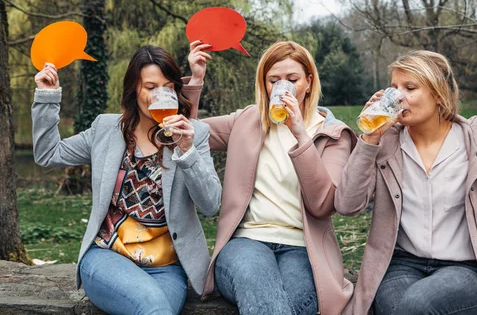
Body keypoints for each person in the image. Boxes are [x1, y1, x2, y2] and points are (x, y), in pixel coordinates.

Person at [335, 50, 477, 315]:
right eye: (394, 87)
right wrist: (369, 141)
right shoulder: (386, 144)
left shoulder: (476, 139)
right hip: (401, 265)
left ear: (438, 94)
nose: (398, 96)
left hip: (463, 269)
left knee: (414, 306)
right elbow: (347, 205)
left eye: (410, 88)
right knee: (401, 308)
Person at [32, 45, 221, 315]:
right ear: (135, 89)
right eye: (151, 87)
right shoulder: (107, 129)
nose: (160, 96)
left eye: (167, 87)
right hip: (107, 257)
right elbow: (48, 154)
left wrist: (186, 151)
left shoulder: (195, 134)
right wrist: (47, 97)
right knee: (154, 308)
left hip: (166, 268)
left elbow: (211, 205)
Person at [183, 40, 357, 315]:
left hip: (303, 249)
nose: (282, 87)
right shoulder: (247, 120)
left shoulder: (334, 134)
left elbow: (323, 205)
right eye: (273, 80)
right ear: (264, 84)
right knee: (258, 284)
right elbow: (188, 132)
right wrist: (195, 80)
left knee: (294, 302)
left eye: (292, 79)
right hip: (245, 242)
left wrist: (301, 135)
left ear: (309, 82)